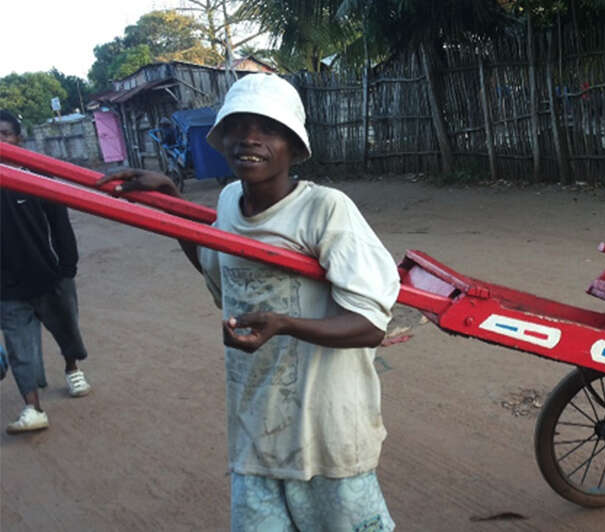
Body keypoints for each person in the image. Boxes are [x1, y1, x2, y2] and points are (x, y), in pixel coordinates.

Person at [98, 74, 400, 531]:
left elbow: (369, 324)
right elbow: (218, 270)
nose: (250, 138)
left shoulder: (325, 210)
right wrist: (169, 202)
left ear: (293, 146)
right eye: (238, 126)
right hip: (255, 429)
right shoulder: (226, 202)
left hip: (326, 436)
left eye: (268, 128)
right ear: (221, 138)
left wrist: (284, 324)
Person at [0, 109, 92, 434]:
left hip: (49, 276)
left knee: (66, 328)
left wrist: (67, 267)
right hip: (7, 287)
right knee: (19, 348)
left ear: (17, 140)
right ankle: (33, 407)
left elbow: (60, 226)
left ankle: (72, 368)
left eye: (4, 135)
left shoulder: (37, 178)